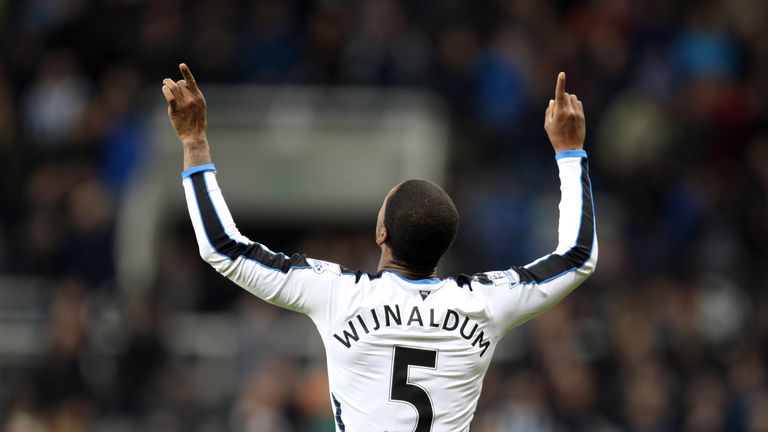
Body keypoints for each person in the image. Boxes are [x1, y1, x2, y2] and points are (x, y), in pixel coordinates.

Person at [162, 63, 597, 431]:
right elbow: (577, 256)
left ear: (381, 234)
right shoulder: (483, 302)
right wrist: (570, 151)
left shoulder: (340, 294)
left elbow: (223, 247)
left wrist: (194, 142)